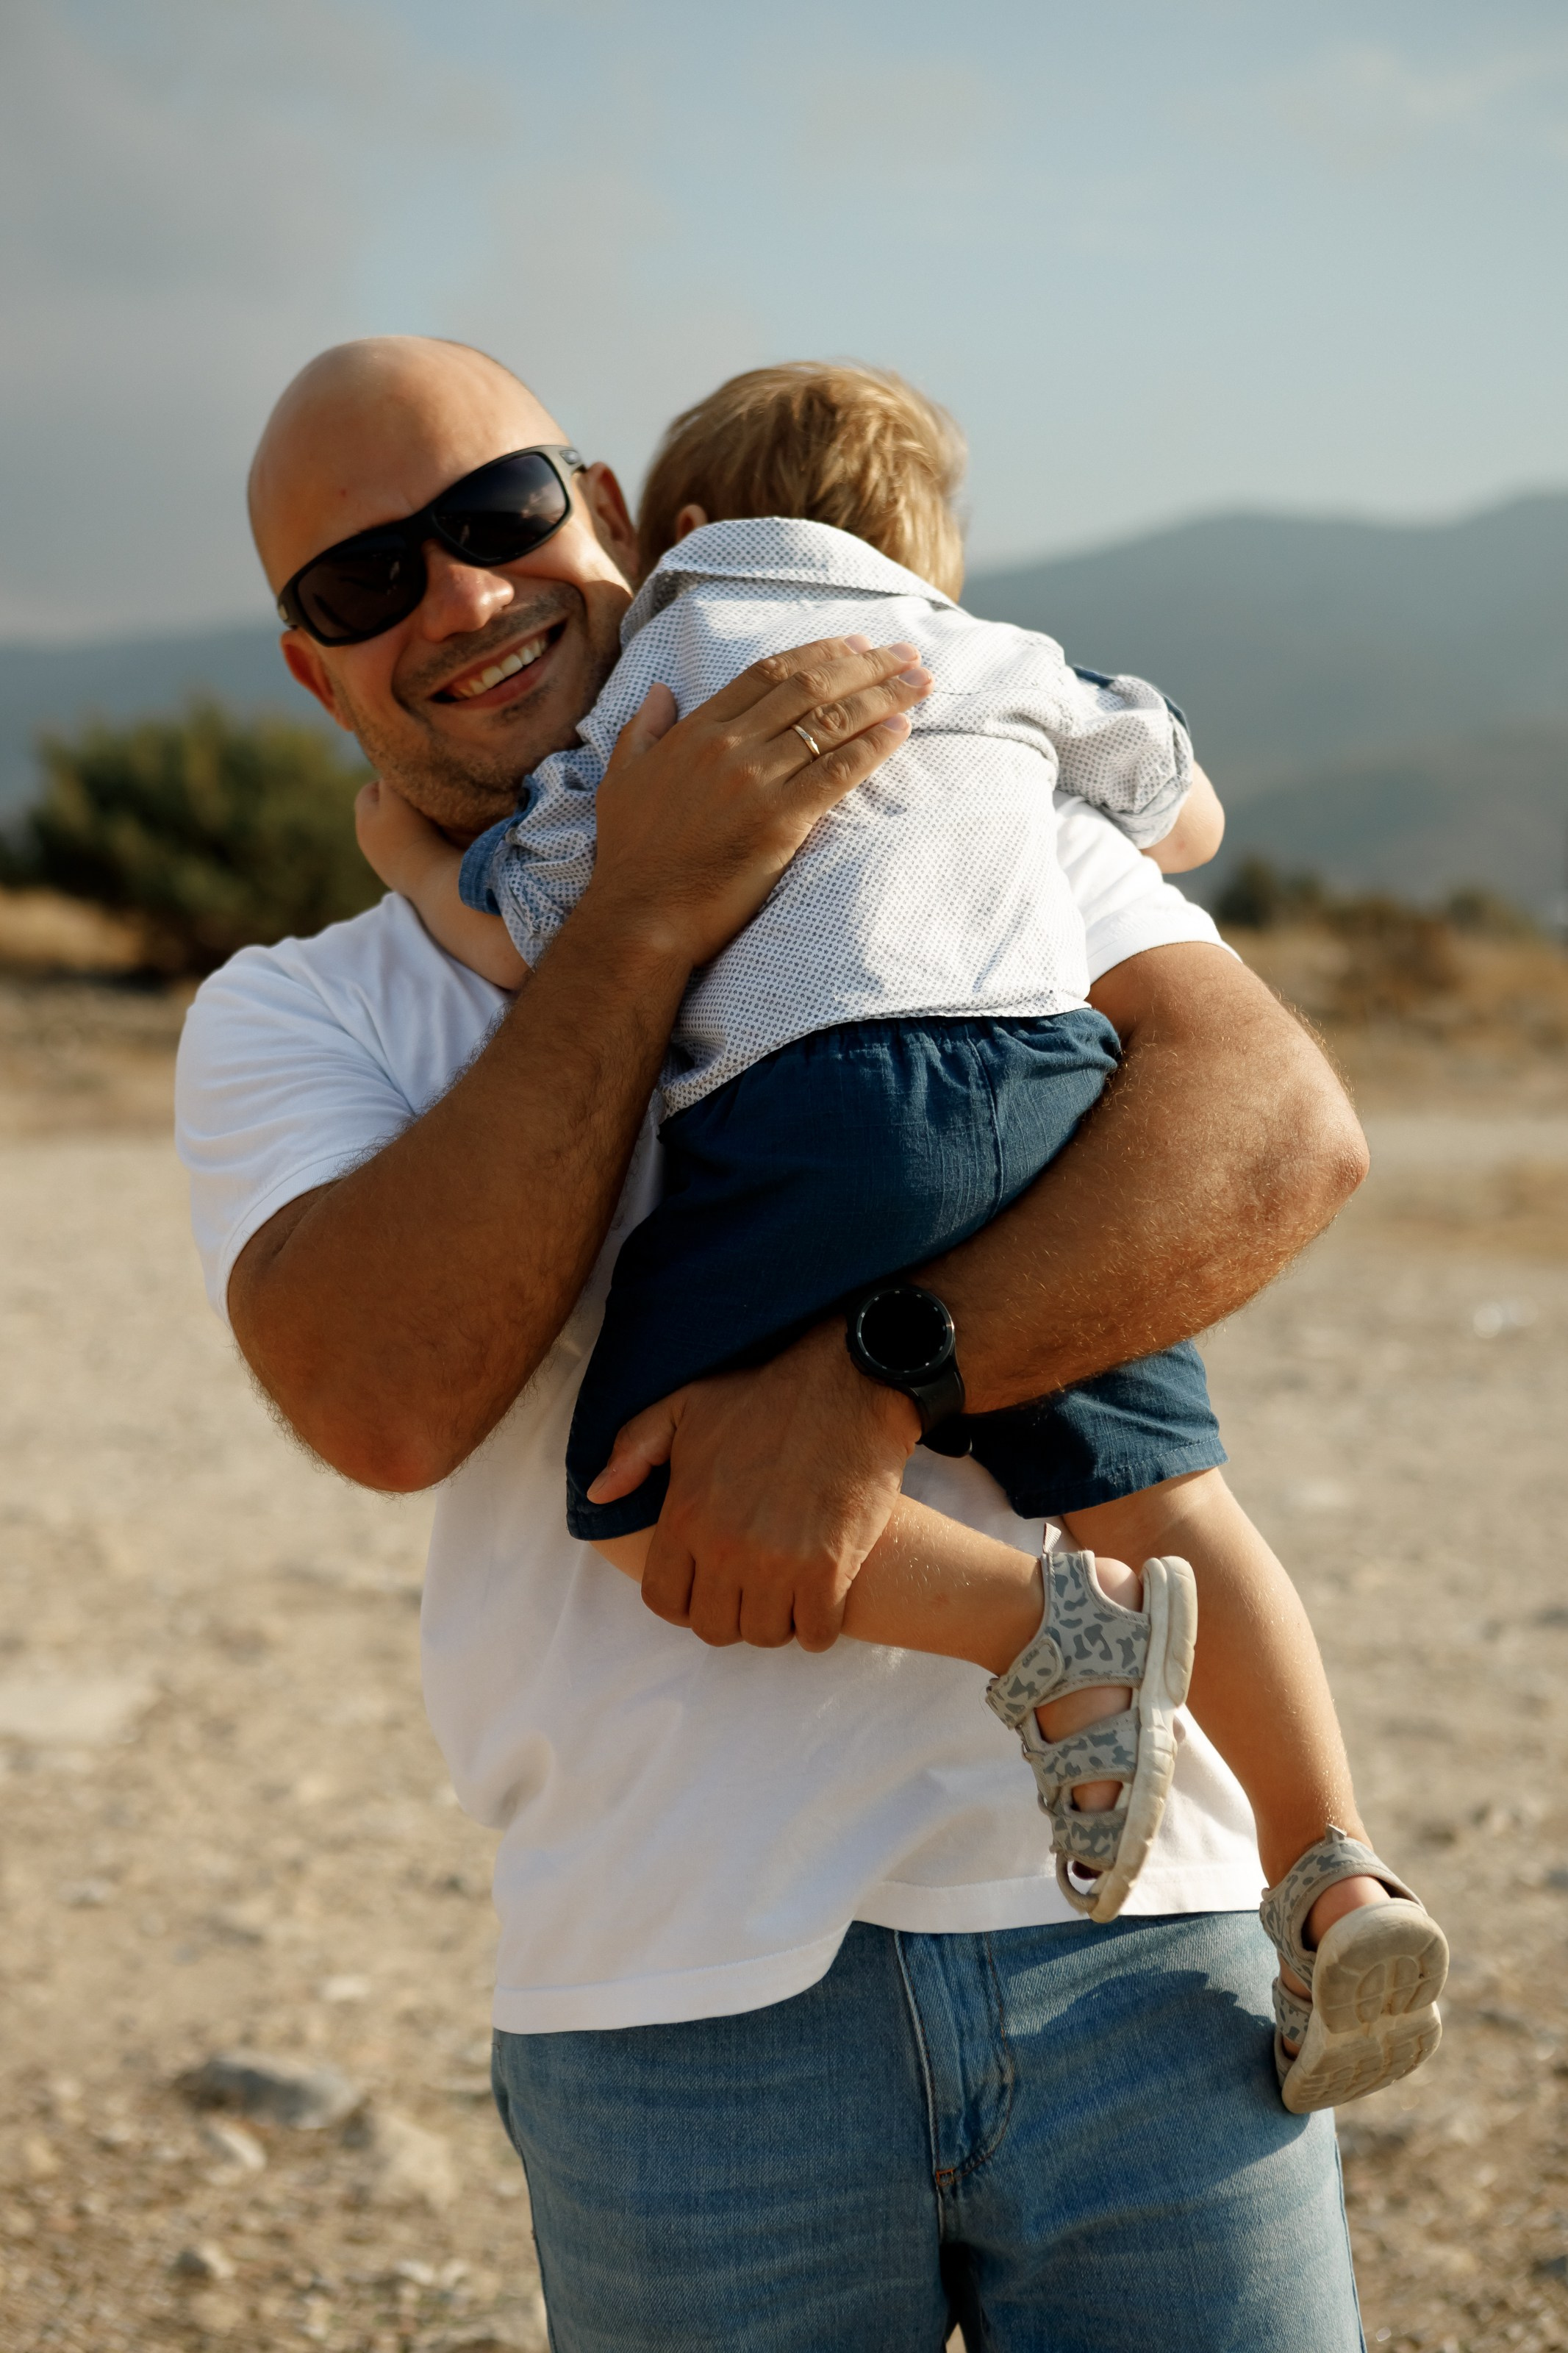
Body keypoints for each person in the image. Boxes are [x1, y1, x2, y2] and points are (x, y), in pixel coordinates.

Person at [177, 334, 1375, 2349]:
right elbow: (384, 1402)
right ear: (315, 669)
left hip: (1145, 1939)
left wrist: (874, 1387)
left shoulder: (950, 780)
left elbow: (1277, 1140)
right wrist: (643, 917)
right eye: (366, 582)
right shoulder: (299, 1015)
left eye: (496, 517)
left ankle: (1307, 1843)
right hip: (676, 2014)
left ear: (610, 517)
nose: (457, 596)